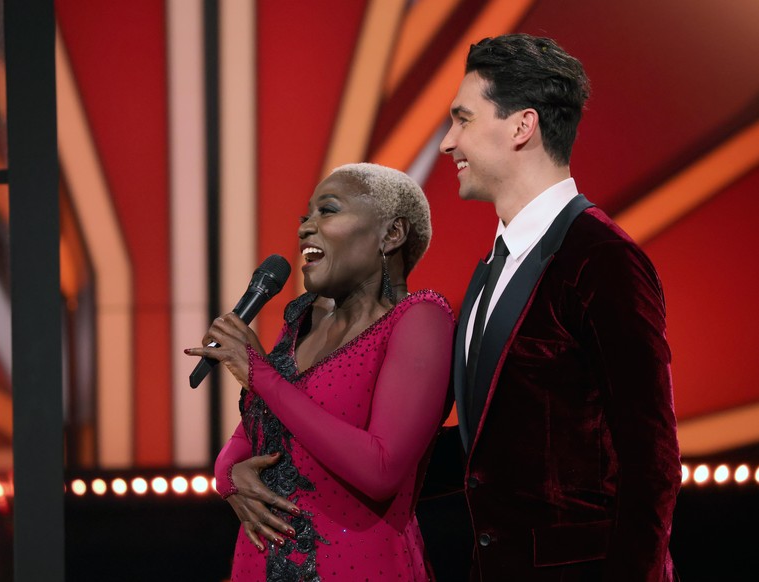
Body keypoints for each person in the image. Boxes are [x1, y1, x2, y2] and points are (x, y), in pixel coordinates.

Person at [438, 33, 681, 580]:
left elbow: (652, 462)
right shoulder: (490, 266)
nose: (447, 142)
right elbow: (488, 453)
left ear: (522, 126)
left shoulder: (602, 259)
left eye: (464, 119)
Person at [185, 163, 455, 581]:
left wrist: (260, 374)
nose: (306, 228)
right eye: (303, 218)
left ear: (392, 234)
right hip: (259, 563)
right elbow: (245, 444)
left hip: (358, 565)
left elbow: (381, 469)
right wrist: (229, 477)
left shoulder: (420, 320)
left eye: (327, 211)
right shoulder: (301, 319)